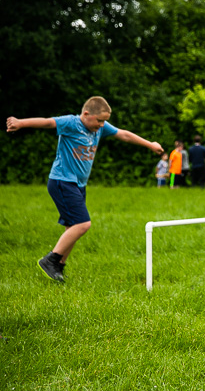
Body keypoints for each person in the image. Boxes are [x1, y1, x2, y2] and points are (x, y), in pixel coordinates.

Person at [5, 96, 163, 282]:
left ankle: (58, 267)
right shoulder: (71, 123)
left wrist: (150, 144)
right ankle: (50, 260)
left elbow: (124, 134)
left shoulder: (99, 128)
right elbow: (47, 122)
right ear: (86, 114)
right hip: (63, 181)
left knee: (72, 227)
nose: (102, 125)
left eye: (105, 121)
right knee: (83, 224)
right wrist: (20, 123)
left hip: (78, 184)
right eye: (99, 120)